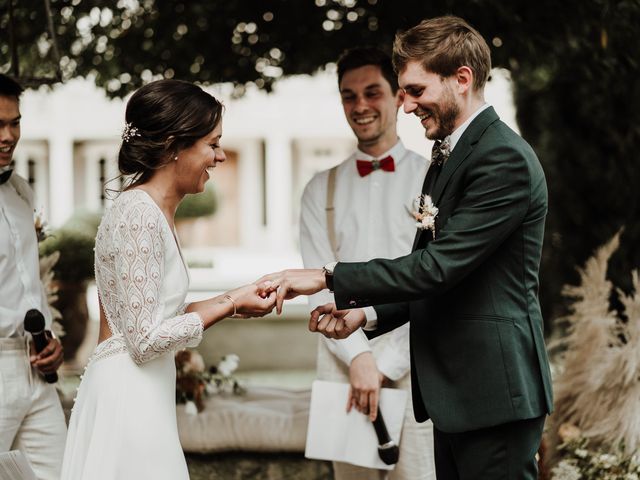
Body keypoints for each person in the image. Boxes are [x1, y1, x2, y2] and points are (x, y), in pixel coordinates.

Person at [259, 15, 553, 480]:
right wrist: (368, 316)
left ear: (462, 79)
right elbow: (440, 276)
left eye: (416, 90)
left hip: (492, 393)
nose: (408, 104)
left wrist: (328, 276)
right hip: (457, 395)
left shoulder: (502, 158)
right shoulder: (451, 155)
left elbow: (436, 268)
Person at [60, 79, 276, 480]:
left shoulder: (152, 210)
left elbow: (159, 315)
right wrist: (228, 304)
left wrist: (237, 297)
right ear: (176, 146)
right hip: (129, 399)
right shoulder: (140, 213)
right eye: (212, 144)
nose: (221, 156)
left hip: (140, 392)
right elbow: (144, 340)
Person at [300, 47, 435, 479]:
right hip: (342, 363)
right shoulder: (318, 190)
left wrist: (383, 364)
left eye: (372, 92)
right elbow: (318, 284)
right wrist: (359, 358)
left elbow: (434, 276)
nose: (360, 106)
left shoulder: (433, 177)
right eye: (348, 96)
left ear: (397, 96)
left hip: (417, 360)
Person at [0, 73, 67, 479]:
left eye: (15, 122)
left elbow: (27, 281)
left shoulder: (22, 192)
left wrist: (50, 339)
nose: (8, 136)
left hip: (36, 367)